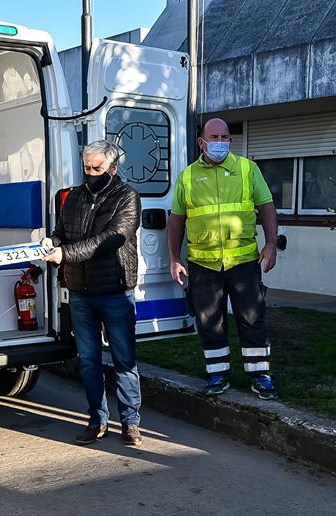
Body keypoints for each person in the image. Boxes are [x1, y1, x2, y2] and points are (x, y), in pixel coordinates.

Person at [167, 118, 280, 400]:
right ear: (201, 142)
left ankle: (260, 376)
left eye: (225, 137)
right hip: (203, 263)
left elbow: (266, 206)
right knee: (209, 320)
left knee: (253, 318)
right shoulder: (187, 176)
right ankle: (217, 375)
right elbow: (176, 219)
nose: (220, 142)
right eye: (214, 137)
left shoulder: (246, 169)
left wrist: (271, 245)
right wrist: (174, 258)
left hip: (243, 261)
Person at [41, 140, 143, 446]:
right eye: (86, 168)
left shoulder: (127, 197)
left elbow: (110, 239)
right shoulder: (74, 196)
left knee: (124, 360)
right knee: (88, 360)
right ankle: (97, 420)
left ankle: (131, 422)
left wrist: (65, 254)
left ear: (113, 168)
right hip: (81, 291)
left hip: (114, 289)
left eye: (97, 168)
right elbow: (62, 231)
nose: (90, 173)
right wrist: (52, 241)